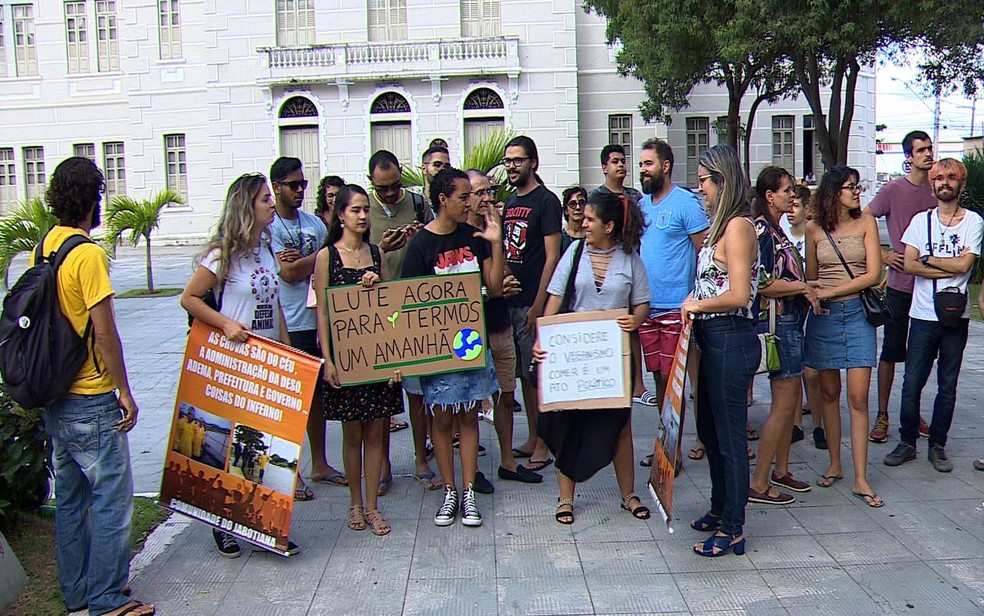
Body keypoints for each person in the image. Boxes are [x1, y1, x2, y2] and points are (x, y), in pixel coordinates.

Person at [38, 157, 154, 616]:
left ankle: (78, 593)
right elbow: (104, 331)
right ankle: (106, 599)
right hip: (90, 396)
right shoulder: (86, 254)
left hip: (57, 396)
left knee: (69, 499)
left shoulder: (46, 246)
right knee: (111, 499)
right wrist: (123, 390)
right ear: (93, 199)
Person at [180, 172, 299, 556]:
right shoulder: (222, 254)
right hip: (235, 361)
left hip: (267, 357)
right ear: (247, 206)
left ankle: (263, 525)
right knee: (232, 444)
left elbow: (274, 303)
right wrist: (227, 324)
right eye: (265, 198)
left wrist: (286, 349)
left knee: (265, 444)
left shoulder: (265, 249)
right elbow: (190, 298)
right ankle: (222, 521)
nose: (270, 203)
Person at [533, 191, 652, 525]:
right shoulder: (573, 253)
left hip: (614, 359)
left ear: (609, 225)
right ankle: (565, 498)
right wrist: (543, 340)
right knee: (570, 423)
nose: (582, 223)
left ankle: (628, 494)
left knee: (619, 425)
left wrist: (636, 319)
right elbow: (555, 300)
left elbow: (642, 302)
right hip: (575, 359)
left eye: (589, 219)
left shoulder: (630, 258)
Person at [402, 167, 503, 527]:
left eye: (472, 195)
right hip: (437, 348)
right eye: (464, 196)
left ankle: (470, 490)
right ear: (443, 199)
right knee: (442, 418)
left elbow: (493, 286)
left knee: (469, 416)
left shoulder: (474, 235)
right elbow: (408, 304)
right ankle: (450, 491)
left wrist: (495, 240)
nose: (471, 201)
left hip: (471, 343)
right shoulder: (421, 246)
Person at [681, 144, 759, 557]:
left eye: (704, 182)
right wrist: (694, 298)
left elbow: (739, 294)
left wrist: (697, 303)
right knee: (709, 431)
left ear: (723, 181)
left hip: (731, 336)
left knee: (730, 439)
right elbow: (714, 283)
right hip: (710, 340)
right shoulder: (718, 227)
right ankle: (718, 507)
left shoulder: (739, 228)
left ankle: (735, 526)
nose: (701, 191)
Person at [314, 183, 404, 535]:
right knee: (352, 435)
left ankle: (372, 506)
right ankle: (355, 504)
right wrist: (328, 360)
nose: (363, 216)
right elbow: (322, 312)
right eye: (356, 210)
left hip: (377, 356)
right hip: (346, 357)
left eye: (366, 209)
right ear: (340, 215)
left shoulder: (377, 254)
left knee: (377, 432)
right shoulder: (327, 257)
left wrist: (376, 283)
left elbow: (391, 307)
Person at [883, 158, 983, 472]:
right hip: (923, 314)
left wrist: (928, 258)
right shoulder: (919, 221)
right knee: (912, 382)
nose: (944, 182)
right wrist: (943, 263)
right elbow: (908, 264)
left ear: (961, 184)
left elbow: (965, 266)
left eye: (951, 177)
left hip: (956, 314)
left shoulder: (973, 222)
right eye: (939, 178)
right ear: (932, 184)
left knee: (948, 384)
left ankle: (938, 443)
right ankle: (907, 441)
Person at [804, 166, 884, 508]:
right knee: (828, 392)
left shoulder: (866, 222)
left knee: (858, 397)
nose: (856, 192)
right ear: (833, 192)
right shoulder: (813, 228)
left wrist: (831, 291)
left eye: (857, 186)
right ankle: (835, 463)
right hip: (823, 317)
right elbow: (810, 277)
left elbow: (874, 274)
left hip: (856, 314)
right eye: (849, 187)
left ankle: (861, 477)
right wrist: (816, 295)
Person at [268, 157, 344, 497]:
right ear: (277, 187)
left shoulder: (313, 223)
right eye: (293, 185)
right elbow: (289, 274)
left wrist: (307, 260)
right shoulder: (268, 227)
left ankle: (320, 463)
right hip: (289, 321)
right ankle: (289, 471)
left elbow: (327, 259)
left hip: (319, 320)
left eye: (303, 184)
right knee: (289, 402)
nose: (300, 190)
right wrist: (320, 258)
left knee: (317, 401)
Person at [747, 167, 820, 506]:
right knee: (781, 406)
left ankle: (781, 470)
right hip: (781, 327)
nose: (793, 196)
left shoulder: (776, 230)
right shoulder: (762, 232)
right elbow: (761, 284)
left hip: (791, 323)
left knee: (788, 405)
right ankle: (760, 481)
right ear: (769, 196)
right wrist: (802, 286)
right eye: (787, 190)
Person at [366, 150, 437, 492]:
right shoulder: (362, 209)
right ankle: (383, 465)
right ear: (371, 184)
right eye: (385, 188)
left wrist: (420, 235)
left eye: (396, 186)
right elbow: (350, 258)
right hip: (378, 313)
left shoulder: (419, 203)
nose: (393, 193)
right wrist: (379, 249)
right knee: (382, 396)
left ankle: (421, 459)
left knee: (417, 392)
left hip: (415, 308)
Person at [466, 168, 542, 484]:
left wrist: (505, 280)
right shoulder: (459, 235)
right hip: (469, 334)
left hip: (501, 325)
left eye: (490, 191)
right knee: (470, 403)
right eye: (479, 193)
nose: (487, 198)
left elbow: (501, 275)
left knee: (507, 396)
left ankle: (508, 461)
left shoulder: (495, 228)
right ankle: (472, 471)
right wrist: (492, 289)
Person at [636, 137, 709, 465]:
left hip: (677, 309)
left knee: (677, 380)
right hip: (647, 308)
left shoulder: (686, 203)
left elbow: (704, 253)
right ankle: (665, 442)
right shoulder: (641, 206)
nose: (642, 170)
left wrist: (695, 296)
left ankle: (674, 450)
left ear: (665, 166)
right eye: (640, 165)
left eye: (648, 164)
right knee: (660, 378)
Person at [865, 131, 936, 444]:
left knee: (921, 354)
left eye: (929, 148)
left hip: (930, 287)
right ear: (909, 157)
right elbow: (862, 219)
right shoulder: (893, 190)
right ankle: (882, 414)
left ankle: (912, 410)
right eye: (921, 150)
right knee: (891, 351)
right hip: (899, 286)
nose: (927, 154)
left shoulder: (937, 192)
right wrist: (882, 254)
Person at [501, 136, 563, 471]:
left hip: (533, 303)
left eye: (518, 160)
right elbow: (509, 252)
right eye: (508, 160)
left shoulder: (547, 201)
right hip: (511, 300)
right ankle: (533, 435)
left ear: (533, 163)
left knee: (538, 375)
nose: (512, 166)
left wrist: (539, 304)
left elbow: (552, 256)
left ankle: (545, 444)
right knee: (523, 375)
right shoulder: (510, 203)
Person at [785, 184, 825, 449]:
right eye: (789, 206)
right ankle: (796, 422)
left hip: (811, 303)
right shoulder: (781, 232)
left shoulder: (812, 233)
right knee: (793, 368)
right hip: (790, 305)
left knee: (812, 371)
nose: (791, 212)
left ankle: (820, 424)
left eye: (796, 206)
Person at [417, 144, 451, 209]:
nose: (442, 169)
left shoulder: (453, 201)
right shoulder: (414, 200)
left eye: (446, 166)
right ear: (424, 169)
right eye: (437, 165)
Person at [560, 186, 587, 252]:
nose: (578, 207)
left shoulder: (592, 236)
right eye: (572, 204)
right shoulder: (560, 238)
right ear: (566, 210)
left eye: (582, 203)